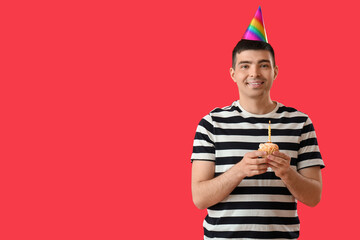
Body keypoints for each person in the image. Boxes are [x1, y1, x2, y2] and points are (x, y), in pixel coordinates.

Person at [191, 7, 324, 240]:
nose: (255, 73)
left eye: (263, 65)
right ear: (233, 73)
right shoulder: (211, 123)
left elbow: (314, 197)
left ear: (275, 72)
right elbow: (199, 198)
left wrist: (287, 174)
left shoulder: (300, 123)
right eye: (245, 65)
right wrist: (240, 170)